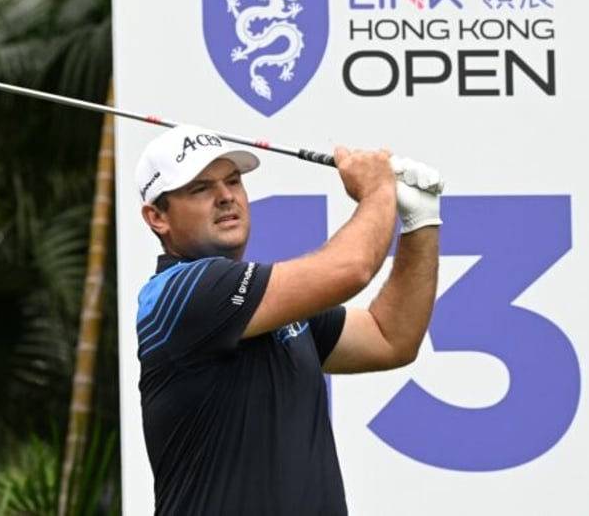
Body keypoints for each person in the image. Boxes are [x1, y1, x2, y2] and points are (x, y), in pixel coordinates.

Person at [133, 124, 442, 515]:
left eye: (233, 181)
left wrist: (420, 223)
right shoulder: (182, 293)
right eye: (200, 188)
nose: (226, 196)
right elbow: (352, 269)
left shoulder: (265, 309)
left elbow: (390, 338)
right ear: (157, 217)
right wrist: (378, 190)